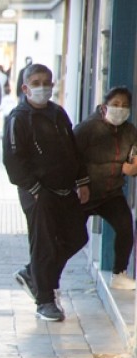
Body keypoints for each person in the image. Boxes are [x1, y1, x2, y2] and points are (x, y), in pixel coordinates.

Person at [3, 64, 90, 322]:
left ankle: (34, 274)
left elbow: (73, 150)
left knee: (76, 237)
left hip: (65, 190)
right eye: (37, 82)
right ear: (25, 87)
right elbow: (13, 160)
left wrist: (82, 181)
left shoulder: (58, 114)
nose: (42, 87)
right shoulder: (18, 118)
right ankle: (44, 300)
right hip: (38, 192)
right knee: (44, 245)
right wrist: (34, 188)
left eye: (47, 82)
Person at [73, 86, 137, 290]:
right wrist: (78, 184)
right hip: (85, 193)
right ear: (104, 105)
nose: (120, 109)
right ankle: (44, 278)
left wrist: (133, 168)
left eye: (125, 106)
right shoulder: (88, 128)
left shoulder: (130, 131)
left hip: (111, 193)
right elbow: (71, 158)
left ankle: (119, 273)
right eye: (116, 105)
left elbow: (132, 161)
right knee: (70, 238)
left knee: (125, 227)